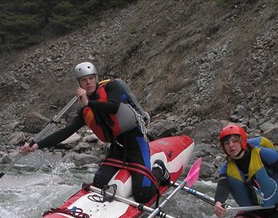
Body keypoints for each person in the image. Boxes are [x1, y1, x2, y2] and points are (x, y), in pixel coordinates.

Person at [21, 62, 170, 204]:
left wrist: (88, 102)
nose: (88, 82)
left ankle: (159, 170)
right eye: (83, 80)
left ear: (96, 78)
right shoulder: (86, 110)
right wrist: (37, 145)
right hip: (117, 148)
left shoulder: (113, 86)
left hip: (136, 143)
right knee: (98, 184)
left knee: (143, 195)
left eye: (91, 78)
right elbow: (66, 131)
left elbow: (113, 107)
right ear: (79, 84)